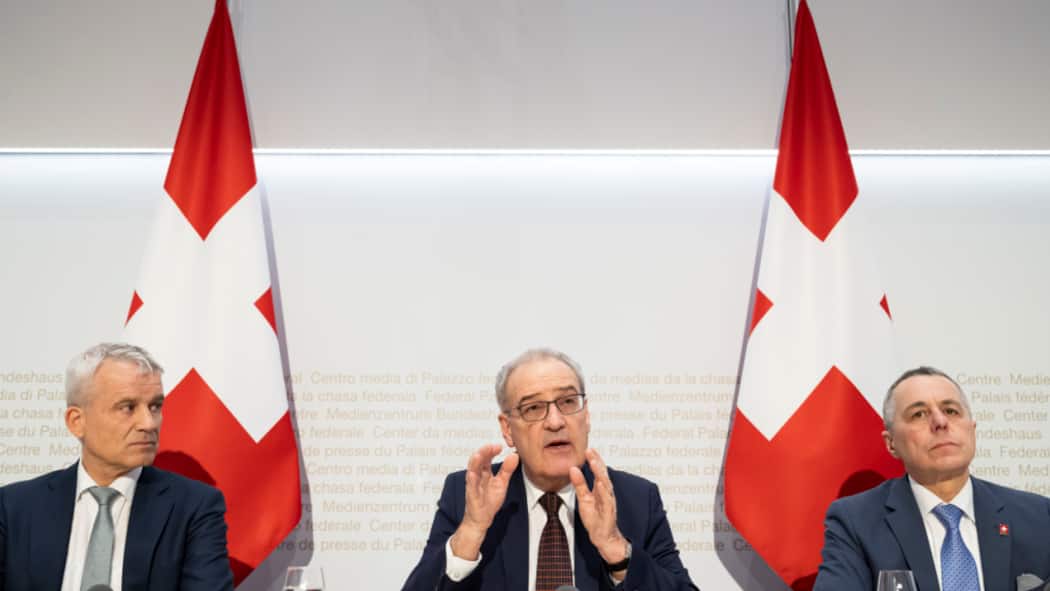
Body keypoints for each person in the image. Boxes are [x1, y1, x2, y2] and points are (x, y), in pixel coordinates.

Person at [402, 348, 698, 591]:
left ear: (586, 415)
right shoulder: (469, 495)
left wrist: (616, 550)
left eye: (568, 402)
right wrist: (471, 531)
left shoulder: (636, 498)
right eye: (533, 408)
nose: (555, 421)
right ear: (507, 429)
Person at [0, 343, 234, 591]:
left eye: (155, 406)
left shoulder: (194, 508)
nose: (148, 423)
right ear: (77, 421)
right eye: (127, 408)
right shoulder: (13, 507)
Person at [813, 366, 1050, 591]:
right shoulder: (856, 522)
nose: (940, 422)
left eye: (951, 411)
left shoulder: (1039, 516)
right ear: (891, 443)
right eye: (919, 414)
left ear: (972, 428)